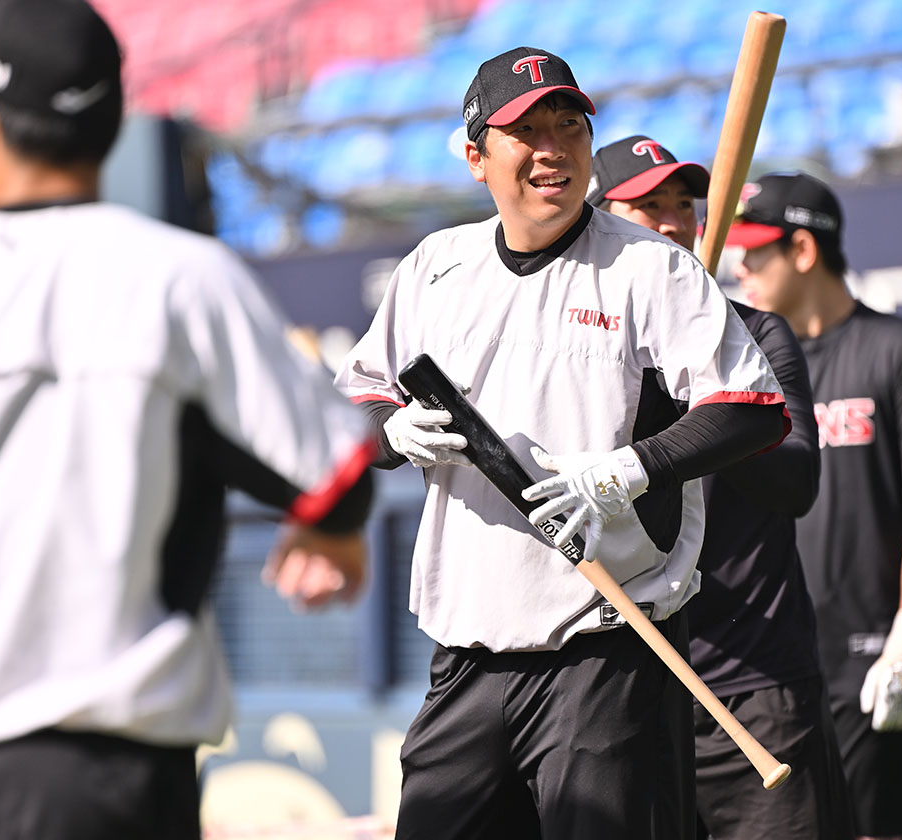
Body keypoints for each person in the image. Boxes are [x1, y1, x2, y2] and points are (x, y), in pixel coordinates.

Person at [336, 47, 789, 840]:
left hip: (608, 645)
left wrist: (623, 472)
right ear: (477, 156)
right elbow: (362, 401)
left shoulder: (652, 268)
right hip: (467, 650)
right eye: (525, 131)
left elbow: (753, 409)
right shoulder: (436, 267)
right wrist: (392, 431)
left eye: (569, 125)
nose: (553, 147)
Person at [0, 1, 376, 837]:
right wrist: (333, 532)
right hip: (97, 775)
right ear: (113, 115)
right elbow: (337, 475)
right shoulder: (179, 278)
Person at [589, 135, 855, 840]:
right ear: (601, 220)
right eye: (649, 207)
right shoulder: (583, 348)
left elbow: (796, 480)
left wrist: (711, 411)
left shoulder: (756, 334)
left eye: (685, 205)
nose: (676, 221)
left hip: (758, 684)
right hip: (628, 687)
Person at [726, 173, 902, 840]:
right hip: (769, 660)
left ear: (803, 249)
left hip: (870, 658)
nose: (740, 266)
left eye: (756, 250)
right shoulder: (751, 369)